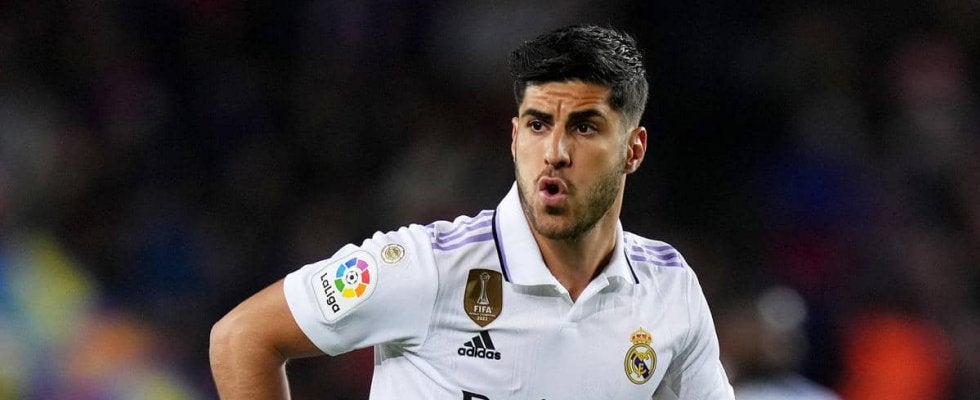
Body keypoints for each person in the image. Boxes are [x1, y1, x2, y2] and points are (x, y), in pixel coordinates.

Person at [209, 24, 735, 399]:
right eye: (538, 125)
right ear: (514, 137)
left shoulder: (669, 289)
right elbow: (243, 338)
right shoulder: (425, 266)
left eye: (584, 127)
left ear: (633, 150)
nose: (555, 151)